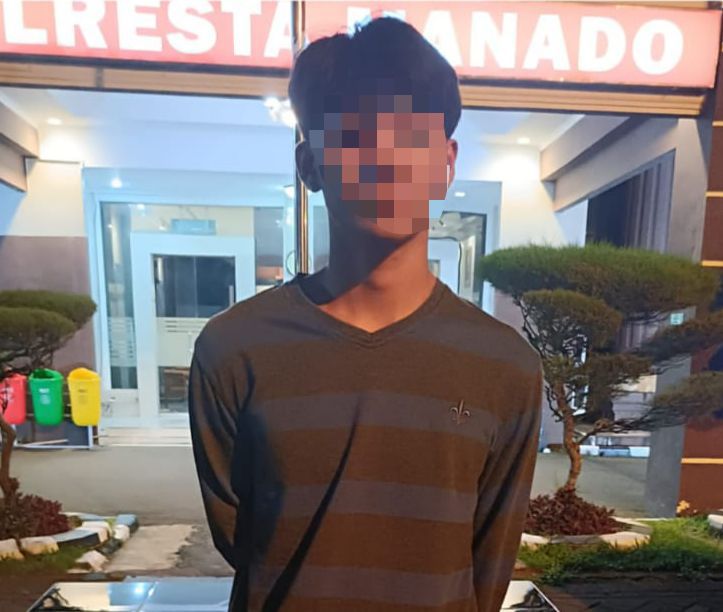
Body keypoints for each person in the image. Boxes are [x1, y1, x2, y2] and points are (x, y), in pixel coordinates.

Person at [189, 17, 543, 612]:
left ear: (446, 162)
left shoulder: (504, 367)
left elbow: (489, 565)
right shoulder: (234, 349)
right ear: (310, 164)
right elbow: (245, 541)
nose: (387, 162)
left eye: (412, 138)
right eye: (355, 137)